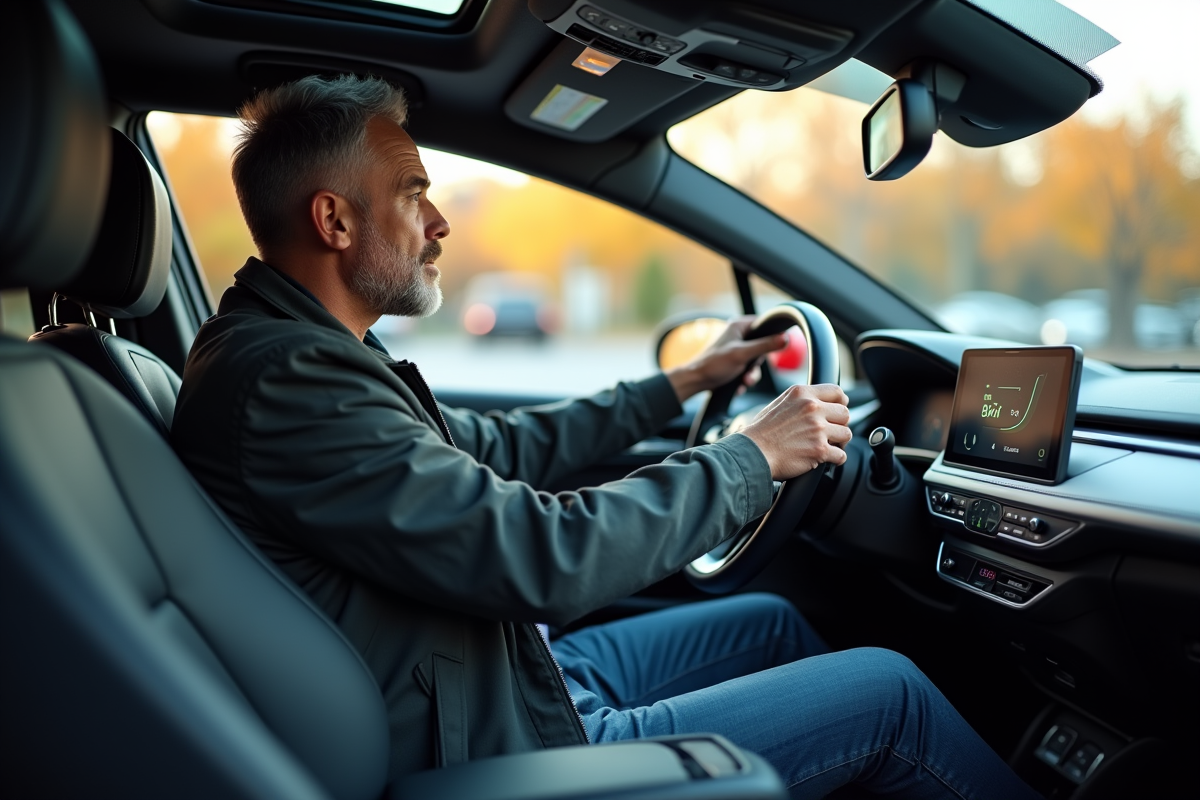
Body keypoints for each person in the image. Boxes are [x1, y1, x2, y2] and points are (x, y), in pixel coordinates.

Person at [171, 74, 1039, 800]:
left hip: (496, 678)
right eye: (413, 194)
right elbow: (537, 554)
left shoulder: (300, 354)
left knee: (773, 621)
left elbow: (496, 450)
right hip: (499, 746)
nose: (439, 223)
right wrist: (750, 456)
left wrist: (683, 382)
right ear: (335, 221)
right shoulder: (287, 381)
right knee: (891, 694)